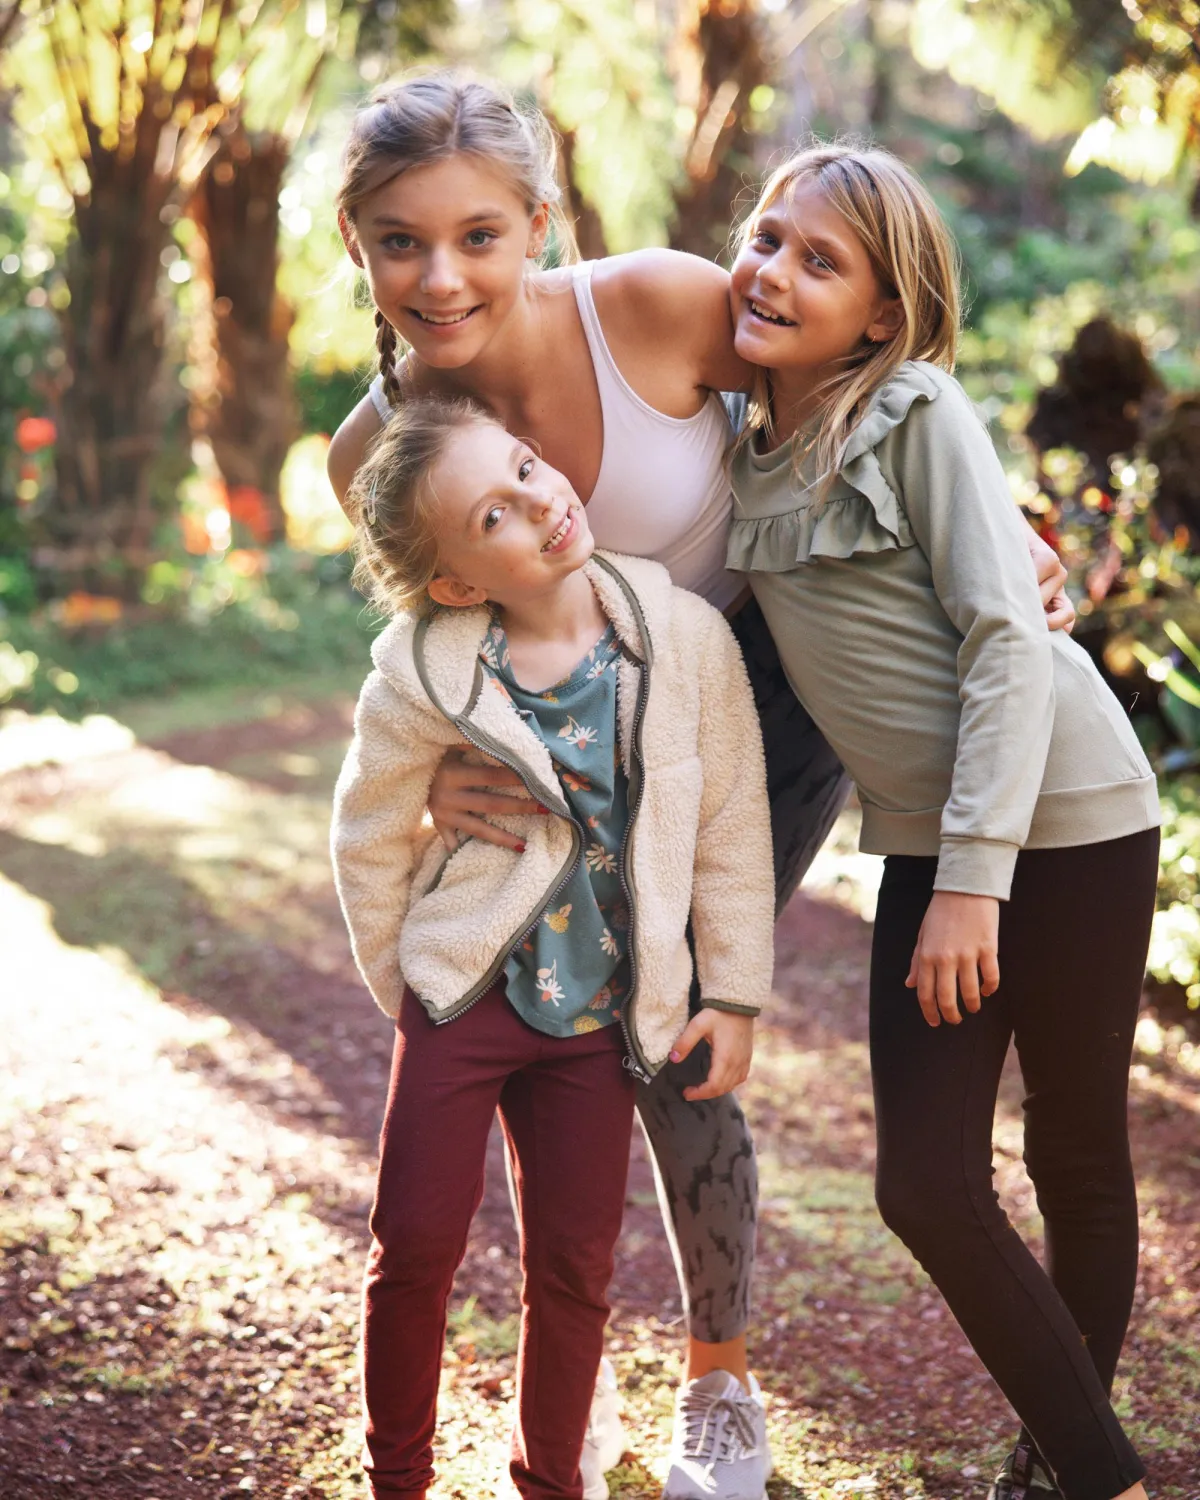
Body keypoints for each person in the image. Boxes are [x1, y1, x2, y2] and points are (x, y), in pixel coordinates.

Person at [327, 71, 1076, 1500]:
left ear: (537, 221)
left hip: (767, 688)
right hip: (577, 750)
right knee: (567, 1024)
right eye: (399, 241)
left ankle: (719, 1388)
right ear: (354, 244)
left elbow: (871, 383)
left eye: (480, 235)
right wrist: (436, 803)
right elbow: (421, 662)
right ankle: (571, 1385)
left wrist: (1002, 531)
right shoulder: (375, 454)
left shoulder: (659, 309)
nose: (441, 276)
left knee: (663, 1015)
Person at [724, 140, 1161, 1500]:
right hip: (935, 841)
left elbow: (1003, 643)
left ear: (885, 315)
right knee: (923, 1184)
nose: (774, 268)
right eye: (767, 234)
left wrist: (975, 878)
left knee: (1076, 1147)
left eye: (821, 259)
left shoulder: (914, 412)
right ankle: (1098, 1466)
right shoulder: (737, 450)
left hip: (1072, 817)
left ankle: (1074, 1470)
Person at [330, 395, 775, 1499]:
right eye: (493, 514)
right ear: (458, 583)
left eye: (527, 469)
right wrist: (408, 984)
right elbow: (370, 829)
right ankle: (398, 1479)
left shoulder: (683, 638)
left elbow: (729, 823)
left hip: (602, 1015)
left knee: (574, 1266)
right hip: (465, 993)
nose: (538, 502)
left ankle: (550, 1484)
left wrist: (737, 992)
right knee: (415, 1247)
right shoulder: (423, 670)